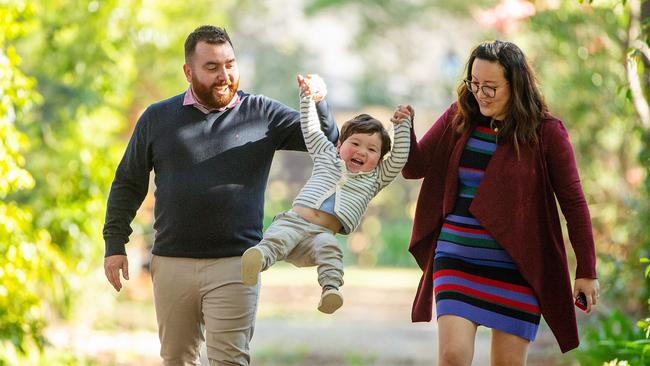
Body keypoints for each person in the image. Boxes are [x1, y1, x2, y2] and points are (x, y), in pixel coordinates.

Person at [102, 25, 339, 366]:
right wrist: (114, 245)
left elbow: (327, 141)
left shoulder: (263, 114)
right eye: (211, 67)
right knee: (176, 360)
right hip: (172, 264)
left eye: (229, 64)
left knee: (230, 361)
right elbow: (128, 183)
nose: (224, 75)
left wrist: (319, 102)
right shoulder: (158, 118)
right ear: (188, 72)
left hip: (236, 263)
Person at [400, 40, 599, 365]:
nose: (480, 94)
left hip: (516, 269)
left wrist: (586, 270)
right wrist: (404, 130)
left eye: (491, 87)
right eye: (474, 84)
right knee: (452, 356)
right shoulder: (459, 117)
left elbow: (574, 203)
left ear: (516, 85)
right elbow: (415, 167)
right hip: (456, 261)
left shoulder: (546, 133)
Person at [240, 74, 412, 314]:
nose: (362, 151)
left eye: (372, 149)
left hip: (321, 235)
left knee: (330, 248)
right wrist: (306, 96)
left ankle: (331, 290)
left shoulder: (375, 179)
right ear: (340, 145)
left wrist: (403, 125)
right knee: (279, 238)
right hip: (295, 221)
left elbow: (399, 159)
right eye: (356, 143)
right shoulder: (326, 155)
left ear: (379, 159)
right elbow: (310, 129)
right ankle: (259, 259)